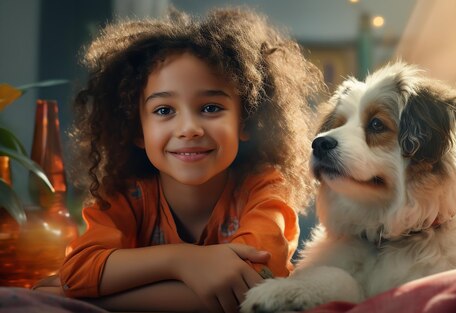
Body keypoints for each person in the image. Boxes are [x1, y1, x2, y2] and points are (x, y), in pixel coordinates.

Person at [33, 6, 324, 313]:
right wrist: (183, 260)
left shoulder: (264, 191)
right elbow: (78, 270)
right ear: (137, 131)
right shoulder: (126, 195)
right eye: (164, 110)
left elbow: (250, 291)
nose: (188, 129)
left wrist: (91, 297)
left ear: (246, 122)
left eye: (211, 108)